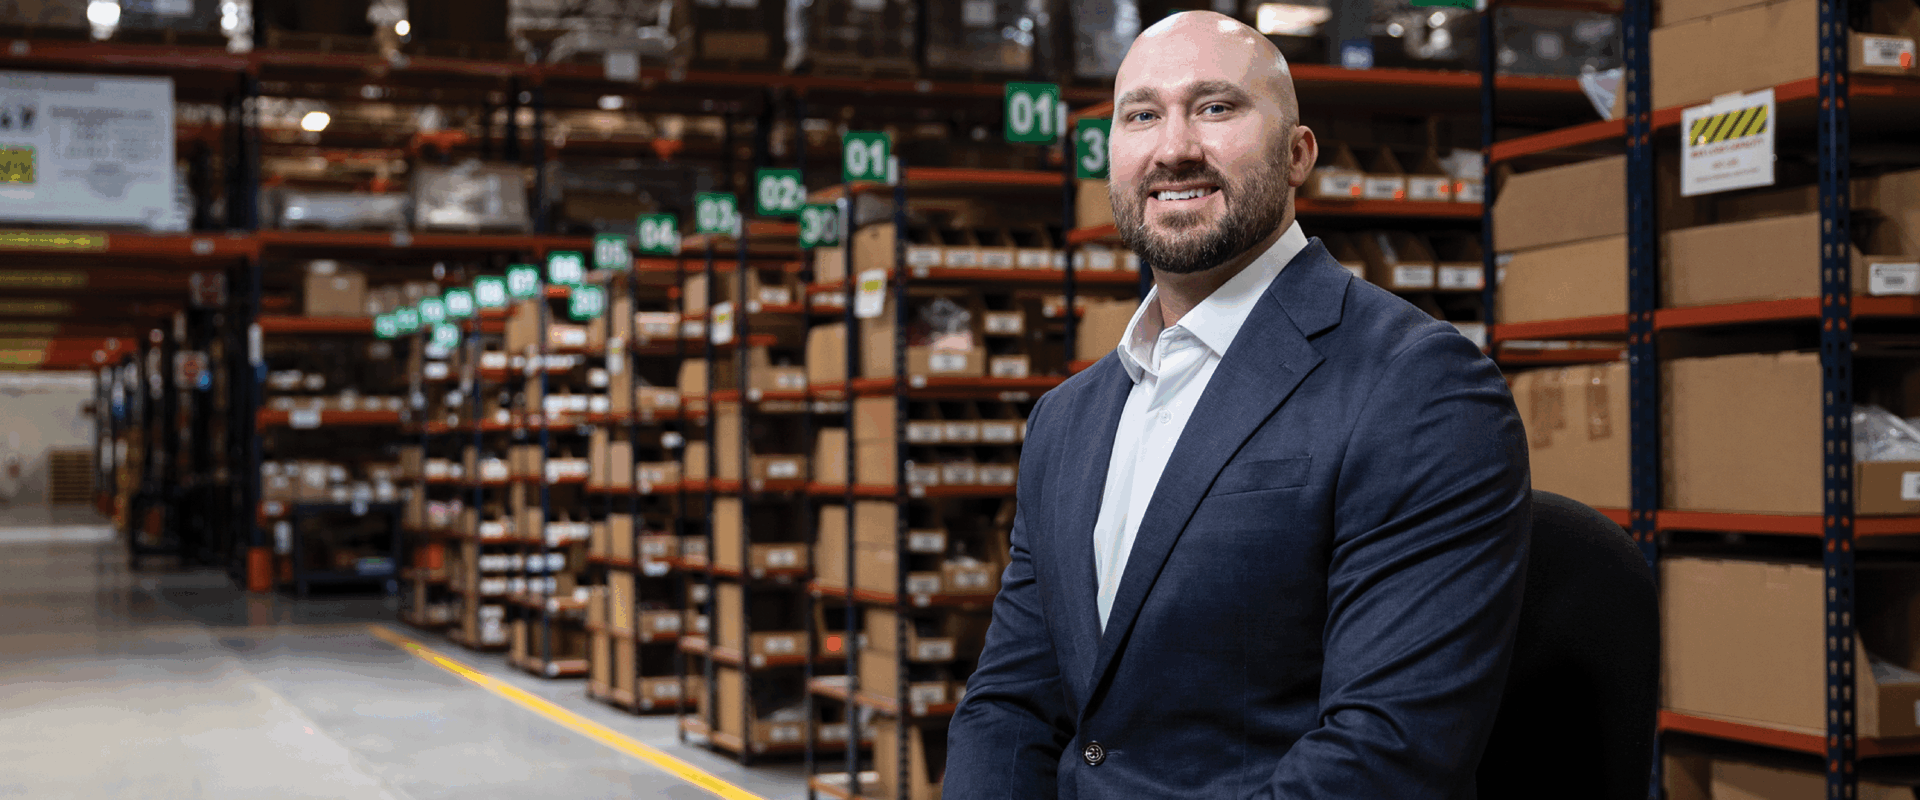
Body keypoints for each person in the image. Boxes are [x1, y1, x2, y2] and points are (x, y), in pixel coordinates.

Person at [944, 11, 1531, 799]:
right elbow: (1010, 706)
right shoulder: (1066, 421)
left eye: (1217, 107)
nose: (1174, 146)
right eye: (1142, 115)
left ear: (1298, 156)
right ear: (1112, 155)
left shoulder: (1418, 389)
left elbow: (1385, 757)